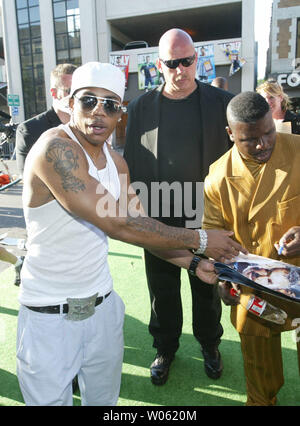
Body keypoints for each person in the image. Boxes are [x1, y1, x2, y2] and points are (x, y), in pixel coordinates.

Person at [18, 61, 244, 406]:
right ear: (70, 103)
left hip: (103, 307)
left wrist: (194, 263)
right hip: (50, 314)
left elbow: (141, 228)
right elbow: (118, 223)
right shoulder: (56, 149)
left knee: (105, 401)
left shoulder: (116, 163)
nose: (98, 112)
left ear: (120, 114)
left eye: (110, 105)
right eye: (88, 101)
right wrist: (199, 240)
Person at [124, 28, 235, 386]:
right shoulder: (141, 107)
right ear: (160, 65)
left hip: (206, 215)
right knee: (162, 290)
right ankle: (165, 347)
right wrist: (141, 216)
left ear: (197, 59)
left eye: (186, 61)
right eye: (172, 63)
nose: (180, 70)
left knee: (206, 287)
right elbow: (133, 165)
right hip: (158, 215)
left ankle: (210, 344)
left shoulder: (222, 103)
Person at [202, 91, 300, 406]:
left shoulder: (299, 150)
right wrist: (224, 277)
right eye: (250, 139)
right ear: (231, 134)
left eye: (269, 132)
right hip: (253, 293)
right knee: (259, 381)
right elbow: (214, 235)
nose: (263, 144)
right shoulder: (217, 177)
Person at [16, 63, 77, 176]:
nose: (75, 98)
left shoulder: (87, 127)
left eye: (78, 92)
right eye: (69, 91)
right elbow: (28, 179)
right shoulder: (30, 130)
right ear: (54, 93)